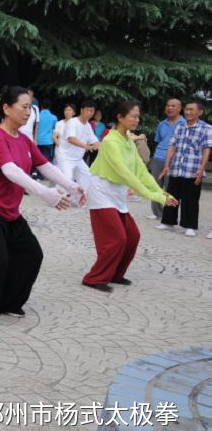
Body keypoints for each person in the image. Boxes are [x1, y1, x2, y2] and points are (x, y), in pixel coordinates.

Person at [0, 87, 85, 326]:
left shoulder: (24, 139)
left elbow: (45, 165)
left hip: (10, 212)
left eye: (30, 107)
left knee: (31, 255)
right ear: (6, 108)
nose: (28, 112)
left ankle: (7, 303)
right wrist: (46, 193)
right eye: (24, 107)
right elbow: (10, 170)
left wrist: (73, 186)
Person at [82, 100, 177, 292]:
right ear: (120, 117)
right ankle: (94, 278)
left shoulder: (127, 140)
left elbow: (140, 171)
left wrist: (162, 192)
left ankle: (116, 274)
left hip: (116, 192)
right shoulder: (110, 141)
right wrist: (155, 197)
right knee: (116, 238)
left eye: (138, 116)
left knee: (133, 235)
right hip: (100, 191)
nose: (137, 119)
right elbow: (125, 173)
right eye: (133, 116)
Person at [158, 101, 212, 237]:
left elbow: (206, 149)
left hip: (193, 168)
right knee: (171, 194)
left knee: (191, 198)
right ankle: (167, 221)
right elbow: (172, 146)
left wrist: (202, 168)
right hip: (176, 167)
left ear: (200, 112)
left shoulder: (206, 128)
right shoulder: (180, 126)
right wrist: (167, 165)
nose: (188, 112)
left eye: (192, 110)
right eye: (187, 109)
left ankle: (190, 226)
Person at [148, 99, 183, 220]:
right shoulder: (162, 124)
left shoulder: (184, 124)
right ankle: (156, 212)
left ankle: (168, 215)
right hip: (158, 158)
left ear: (179, 108)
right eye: (168, 105)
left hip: (175, 160)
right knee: (155, 186)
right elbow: (158, 140)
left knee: (170, 188)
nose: (170, 108)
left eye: (173, 106)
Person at [55, 100, 99, 186]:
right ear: (81, 110)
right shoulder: (72, 122)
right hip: (65, 158)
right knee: (67, 181)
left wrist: (106, 146)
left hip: (78, 159)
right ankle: (57, 197)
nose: (90, 113)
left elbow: (95, 141)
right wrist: (86, 146)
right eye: (88, 110)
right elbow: (71, 139)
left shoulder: (88, 126)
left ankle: (78, 198)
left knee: (88, 178)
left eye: (92, 111)